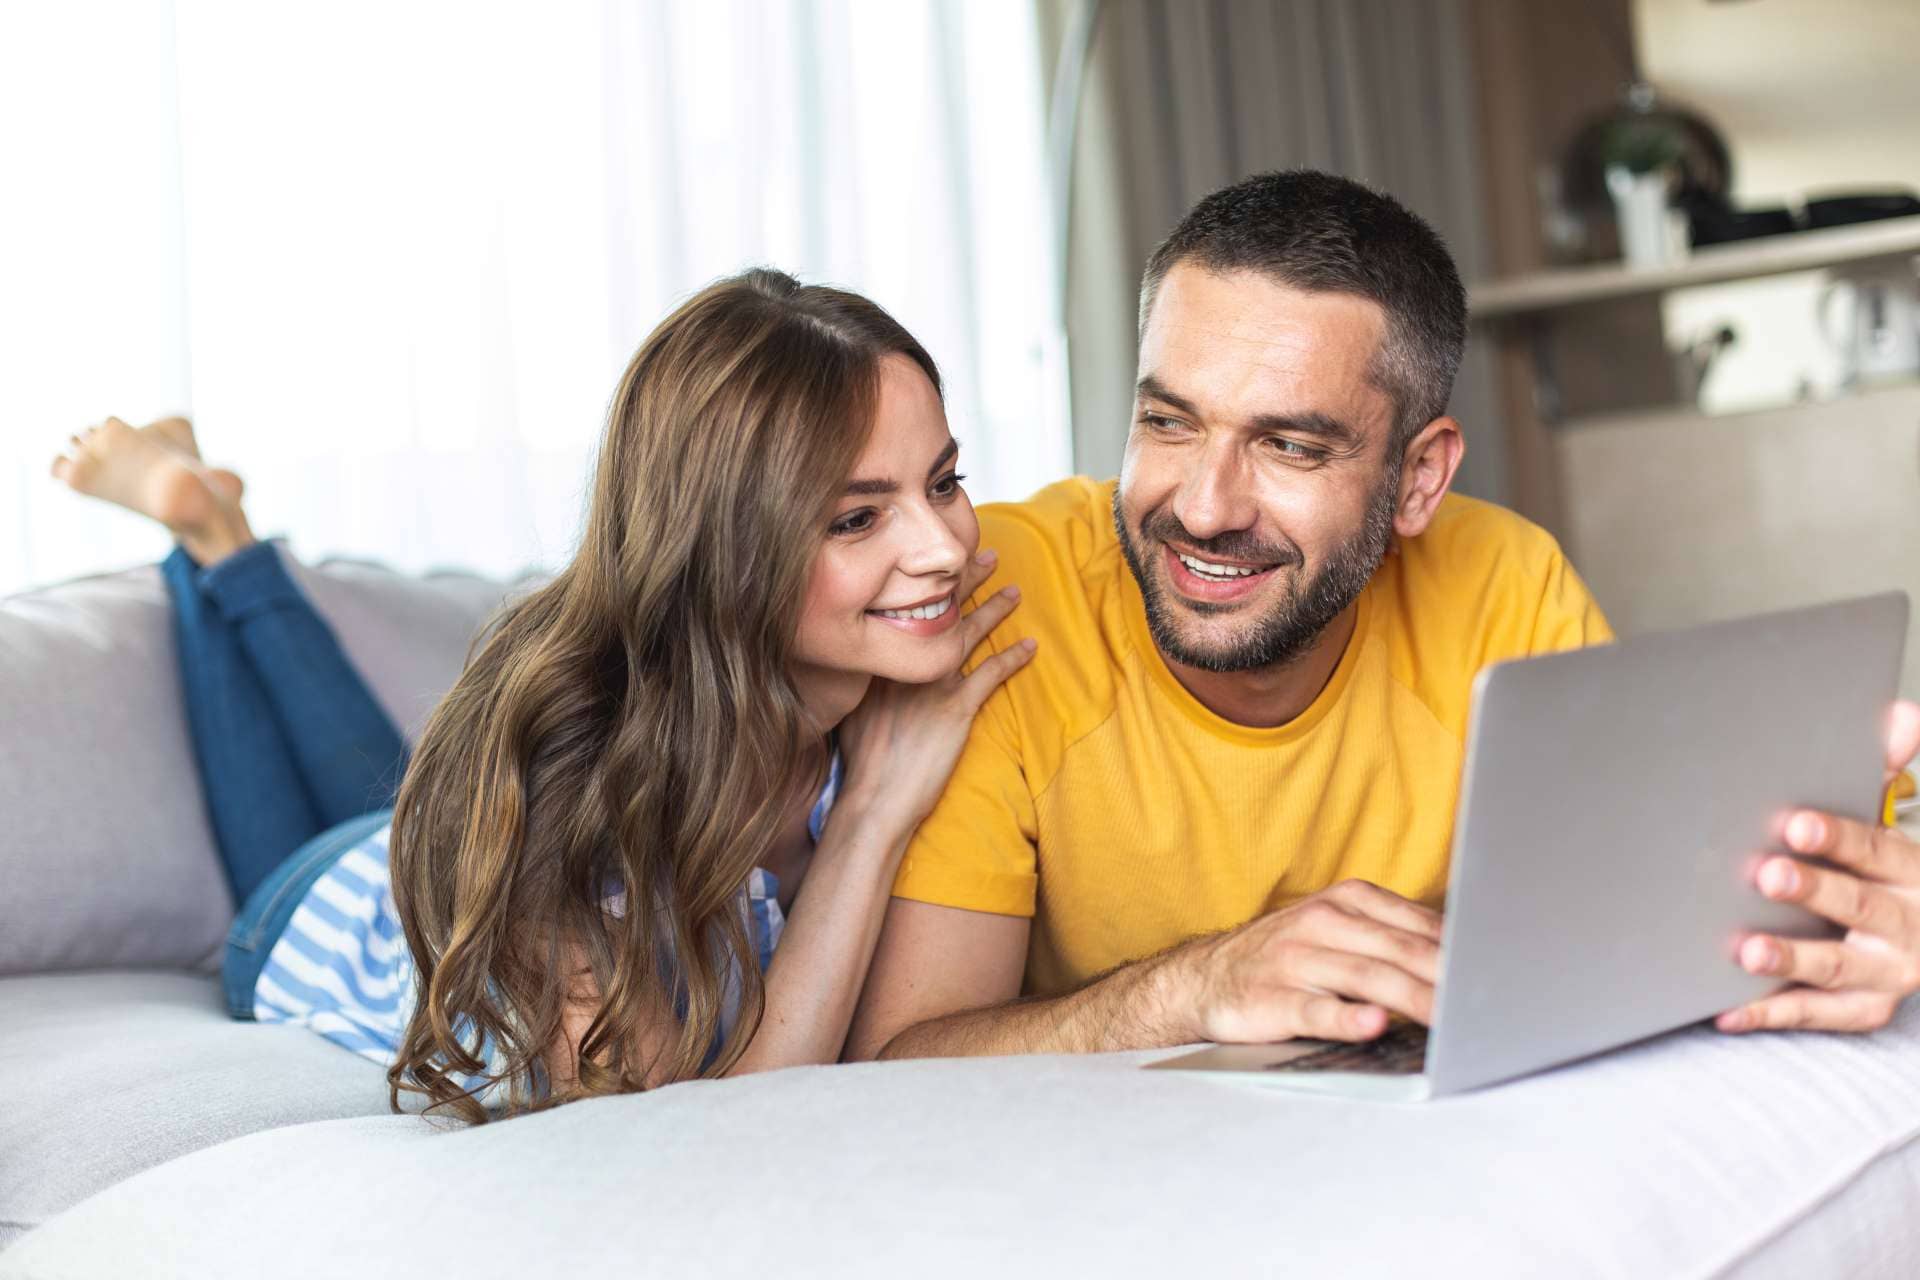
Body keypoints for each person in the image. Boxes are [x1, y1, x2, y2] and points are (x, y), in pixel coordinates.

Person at [845, 169, 1920, 1061]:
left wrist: (1858, 908)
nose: (1205, 507)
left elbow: (1638, 912)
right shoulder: (1000, 592)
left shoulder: (1504, 584)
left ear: (1417, 479)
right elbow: (900, 1059)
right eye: (1168, 423)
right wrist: (1199, 986)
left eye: (1291, 446)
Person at [50, 269, 1034, 1121]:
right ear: (722, 547)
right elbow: (725, 1128)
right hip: (312, 917)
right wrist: (869, 818)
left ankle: (219, 529)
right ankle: (206, 540)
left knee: (372, 789)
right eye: (859, 516)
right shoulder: (582, 805)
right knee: (323, 824)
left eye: (944, 481)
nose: (945, 548)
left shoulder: (898, 706)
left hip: (420, 842)